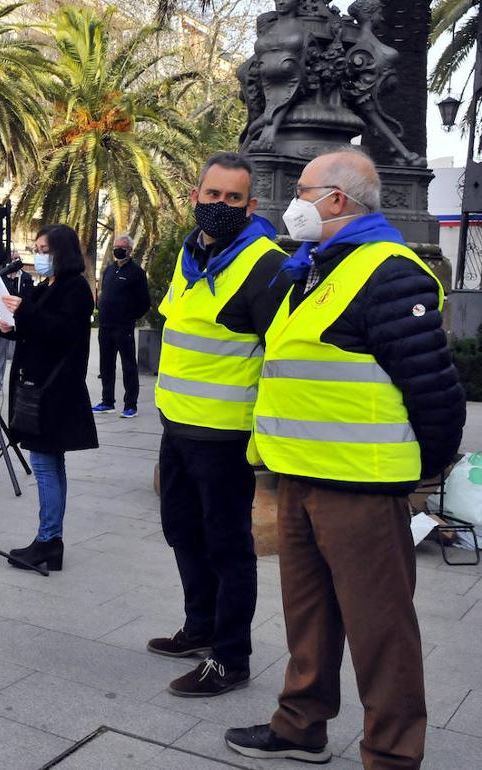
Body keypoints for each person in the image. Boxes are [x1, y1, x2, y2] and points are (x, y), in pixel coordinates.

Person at [225, 149, 465, 768]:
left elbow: (436, 390)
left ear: (335, 200)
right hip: (300, 477)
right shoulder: (312, 267)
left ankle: (391, 754)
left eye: (302, 191)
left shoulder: (391, 271)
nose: (292, 203)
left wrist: (423, 471)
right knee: (307, 616)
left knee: (380, 629)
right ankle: (300, 725)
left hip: (361, 487)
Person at [147, 152, 288, 698]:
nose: (221, 205)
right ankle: (200, 627)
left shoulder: (266, 266)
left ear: (251, 206)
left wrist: (268, 439)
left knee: (228, 547)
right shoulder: (189, 257)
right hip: (178, 428)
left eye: (234, 198)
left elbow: (282, 357)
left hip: (226, 438)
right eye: (213, 195)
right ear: (195, 197)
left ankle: (230, 658)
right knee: (182, 532)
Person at [0, 226, 97, 572]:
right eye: (37, 249)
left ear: (62, 252)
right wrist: (10, 326)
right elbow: (34, 328)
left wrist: (24, 312)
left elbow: (61, 332)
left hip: (56, 391)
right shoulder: (45, 287)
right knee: (50, 463)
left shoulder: (75, 289)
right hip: (39, 387)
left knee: (43, 465)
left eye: (45, 250)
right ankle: (51, 541)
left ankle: (48, 539)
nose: (39, 256)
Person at [93, 234, 150, 417]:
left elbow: (144, 302)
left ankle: (130, 405)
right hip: (105, 326)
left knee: (128, 367)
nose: (118, 250)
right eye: (115, 247)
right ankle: (107, 401)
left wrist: (129, 317)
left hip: (123, 328)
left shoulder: (137, 273)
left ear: (130, 251)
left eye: (122, 248)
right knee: (106, 366)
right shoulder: (109, 271)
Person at [0, 250, 34, 394]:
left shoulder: (26, 277)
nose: (16, 261)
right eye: (13, 258)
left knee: (20, 355)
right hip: (4, 320)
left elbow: (29, 299)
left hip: (20, 321)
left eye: (18, 258)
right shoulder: (2, 276)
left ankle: (20, 385)